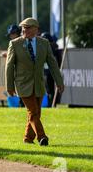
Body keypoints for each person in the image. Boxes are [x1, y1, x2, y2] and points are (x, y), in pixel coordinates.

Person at [5, 18, 64, 146]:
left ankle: (28, 138)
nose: (24, 30)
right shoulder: (15, 44)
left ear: (35, 29)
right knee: (33, 111)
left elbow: (53, 64)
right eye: (23, 28)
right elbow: (9, 66)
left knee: (36, 113)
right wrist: (9, 86)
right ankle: (42, 137)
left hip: (38, 84)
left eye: (27, 27)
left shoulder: (44, 43)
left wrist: (59, 82)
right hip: (22, 84)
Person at [41, 32, 62, 106]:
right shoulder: (54, 48)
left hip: (49, 72)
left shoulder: (49, 49)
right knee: (51, 90)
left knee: (50, 90)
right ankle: (53, 103)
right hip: (52, 72)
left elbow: (58, 60)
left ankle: (51, 104)